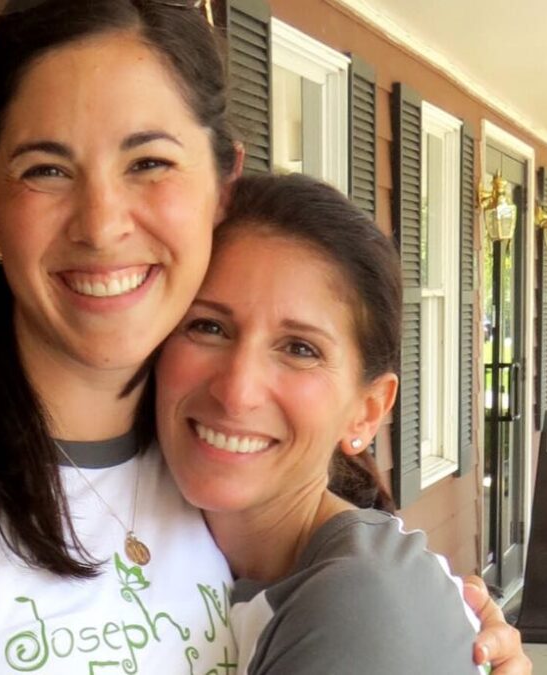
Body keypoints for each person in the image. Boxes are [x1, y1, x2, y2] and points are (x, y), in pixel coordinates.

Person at [0, 1, 530, 673]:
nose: (101, 226)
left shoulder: (215, 465)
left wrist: (447, 631)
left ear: (222, 186)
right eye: (45, 168)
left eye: (148, 162)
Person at [157, 172, 488, 673]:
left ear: (368, 410)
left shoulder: (361, 602)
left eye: (299, 349)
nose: (237, 390)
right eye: (208, 326)